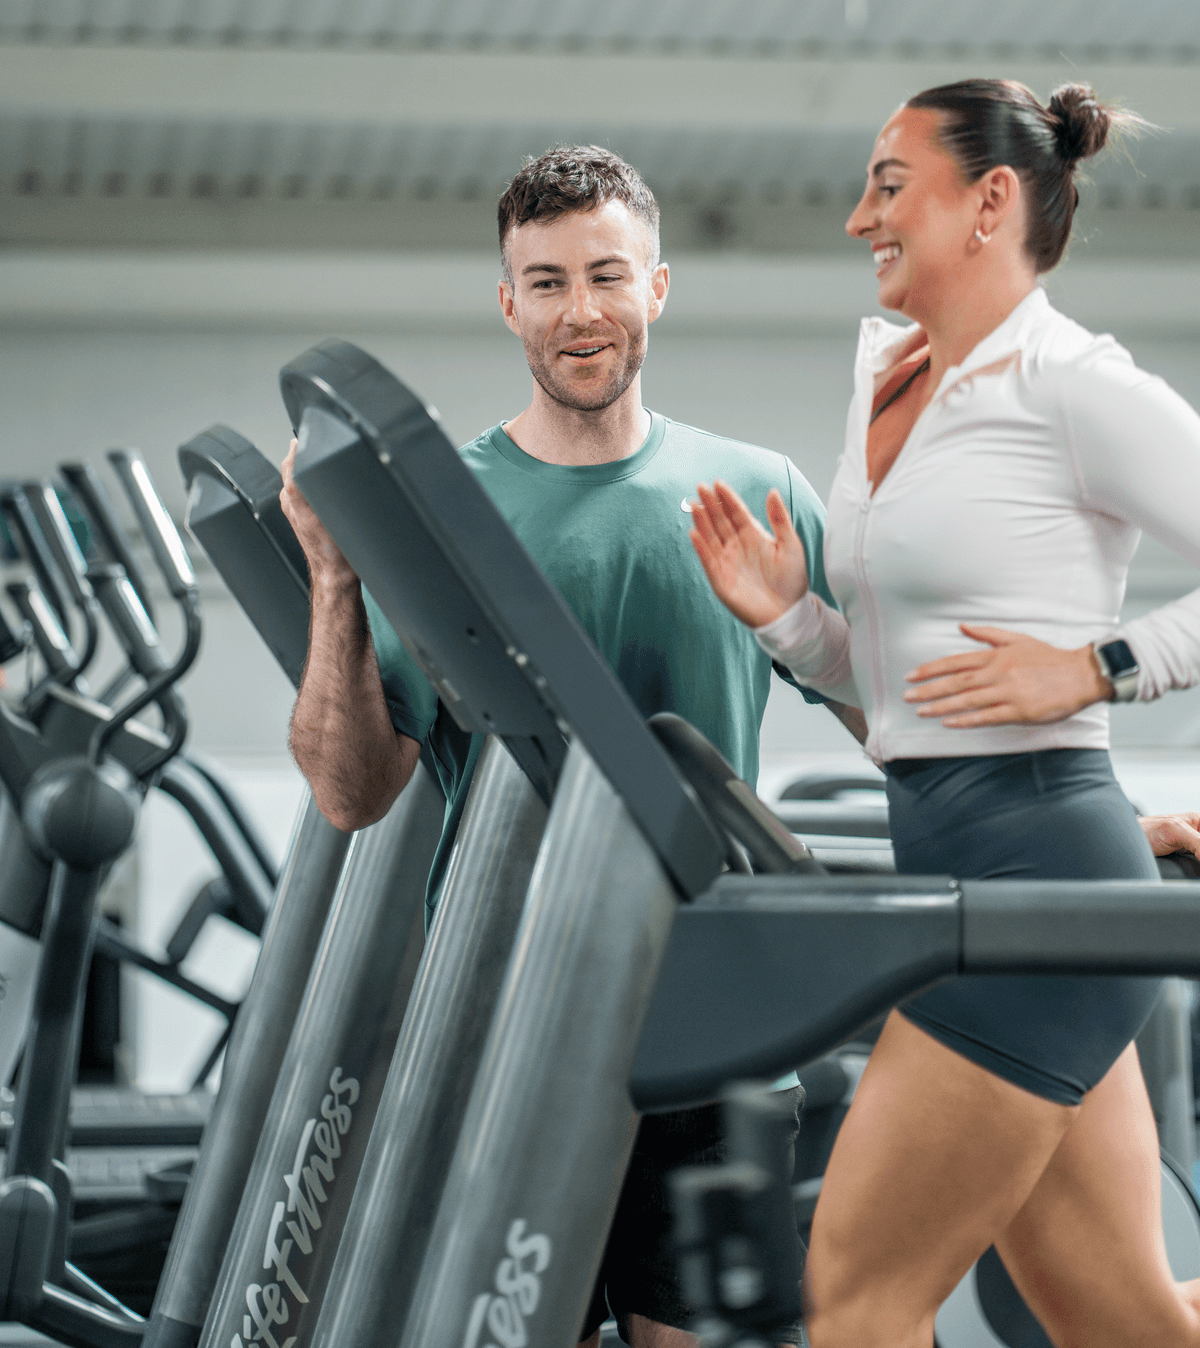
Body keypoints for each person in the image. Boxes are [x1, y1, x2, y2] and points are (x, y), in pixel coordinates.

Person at [688, 78, 1200, 1348]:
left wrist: (1100, 666)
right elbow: (906, 700)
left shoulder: (1074, 384)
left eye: (889, 185)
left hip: (1038, 873)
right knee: (1137, 1327)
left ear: (990, 200)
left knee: (856, 1295)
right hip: (985, 870)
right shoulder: (887, 377)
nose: (857, 217)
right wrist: (787, 619)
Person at [280, 143, 860, 1348]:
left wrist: (1101, 811)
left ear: (658, 286)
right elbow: (350, 790)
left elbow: (897, 716)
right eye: (546, 282)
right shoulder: (439, 515)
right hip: (495, 1021)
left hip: (713, 1022)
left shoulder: (759, 490)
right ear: (508, 304)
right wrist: (336, 575)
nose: (580, 310)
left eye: (607, 273)